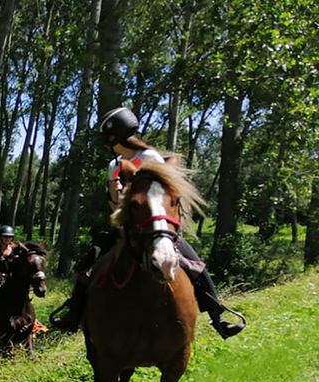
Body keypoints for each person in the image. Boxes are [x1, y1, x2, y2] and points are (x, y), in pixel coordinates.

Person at [50, 106, 245, 339]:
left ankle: (218, 316)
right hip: (126, 228)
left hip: (156, 226)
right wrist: (117, 194)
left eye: (107, 140)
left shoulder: (149, 158)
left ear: (114, 137)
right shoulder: (113, 166)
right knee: (88, 262)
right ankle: (74, 314)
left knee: (195, 264)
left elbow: (162, 192)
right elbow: (115, 209)